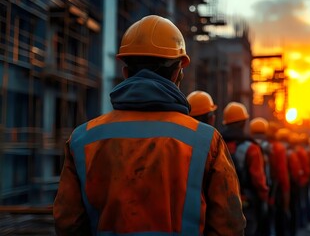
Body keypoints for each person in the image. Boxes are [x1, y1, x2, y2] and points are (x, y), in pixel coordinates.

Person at [53, 15, 245, 236]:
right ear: (178, 73)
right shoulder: (205, 141)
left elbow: (67, 223)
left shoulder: (82, 139)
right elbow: (229, 226)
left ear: (126, 73)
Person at [221, 102, 269, 236]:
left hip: (220, 203)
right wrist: (264, 200)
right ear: (243, 123)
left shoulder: (216, 143)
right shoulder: (251, 148)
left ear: (225, 123)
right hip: (246, 203)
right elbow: (258, 180)